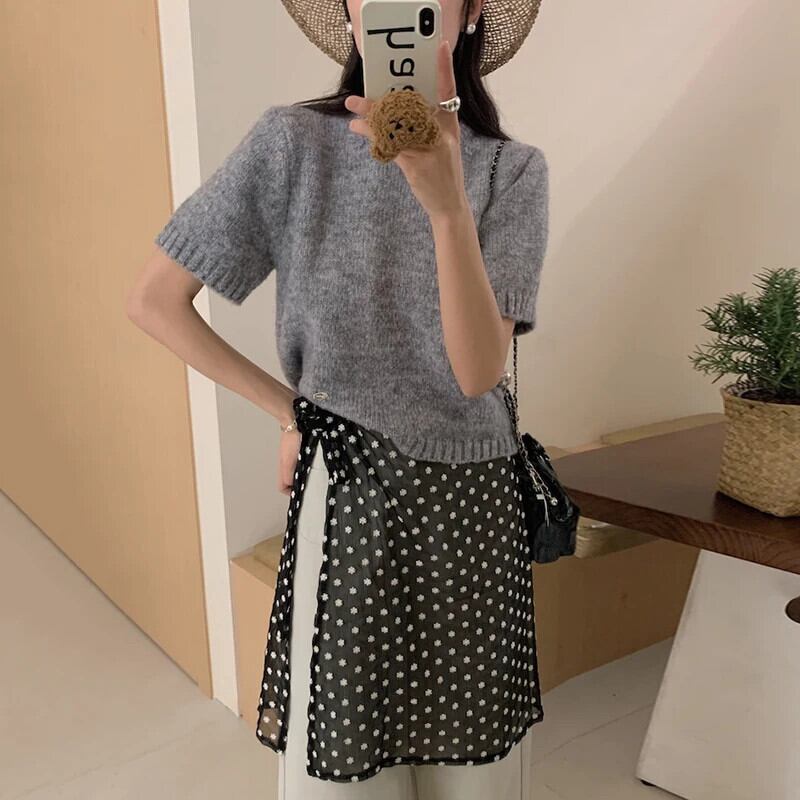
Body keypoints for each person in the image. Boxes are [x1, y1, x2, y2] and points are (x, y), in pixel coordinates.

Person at [127, 1, 549, 797]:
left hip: (474, 507)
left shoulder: (512, 170)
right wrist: (291, 410)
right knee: (344, 770)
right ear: (352, 16)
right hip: (350, 494)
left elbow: (475, 374)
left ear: (468, 12)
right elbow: (155, 300)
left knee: (477, 776)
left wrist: (448, 208)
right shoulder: (293, 144)